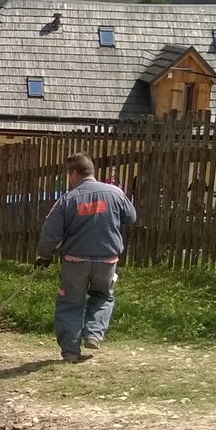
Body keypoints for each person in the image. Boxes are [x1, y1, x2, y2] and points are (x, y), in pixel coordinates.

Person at [35, 152, 137, 363]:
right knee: (103, 296)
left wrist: (44, 256)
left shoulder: (67, 200)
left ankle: (71, 352)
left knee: (70, 303)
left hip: (75, 261)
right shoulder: (115, 193)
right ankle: (93, 334)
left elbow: (50, 233)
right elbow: (131, 217)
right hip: (107, 259)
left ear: (74, 173)